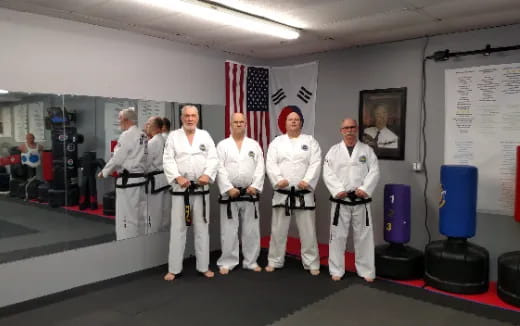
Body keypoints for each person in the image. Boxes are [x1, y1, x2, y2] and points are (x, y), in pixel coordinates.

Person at [163, 105, 218, 281]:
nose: (190, 119)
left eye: (193, 115)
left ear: (197, 118)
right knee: (178, 229)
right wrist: (177, 177)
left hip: (201, 190)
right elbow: (168, 159)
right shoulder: (173, 136)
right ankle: (174, 268)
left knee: (202, 229)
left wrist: (207, 175)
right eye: (186, 115)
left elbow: (213, 159)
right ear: (181, 118)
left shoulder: (205, 136)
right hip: (182, 190)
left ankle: (203, 266)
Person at [265, 111, 321, 275]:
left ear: (301, 123)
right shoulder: (277, 142)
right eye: (291, 119)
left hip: (304, 193)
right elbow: (271, 163)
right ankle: (274, 260)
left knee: (308, 231)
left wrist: (308, 181)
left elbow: (315, 163)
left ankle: (311, 263)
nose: (294, 122)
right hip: (282, 192)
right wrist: (278, 179)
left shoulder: (310, 142)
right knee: (278, 230)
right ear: (285, 123)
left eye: (297, 120)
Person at [323, 118, 380, 282]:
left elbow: (374, 171)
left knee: (364, 236)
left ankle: (366, 270)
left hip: (361, 200)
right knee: (337, 236)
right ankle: (336, 269)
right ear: (341, 130)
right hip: (340, 200)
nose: (349, 130)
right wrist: (338, 190)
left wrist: (365, 189)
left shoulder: (367, 150)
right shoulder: (333, 151)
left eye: (352, 127)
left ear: (357, 129)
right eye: (346, 128)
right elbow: (327, 172)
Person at [216, 113, 264, 275]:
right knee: (229, 230)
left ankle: (251, 261)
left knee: (251, 230)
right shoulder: (223, 145)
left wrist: (255, 186)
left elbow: (260, 167)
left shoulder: (254, 145)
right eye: (235, 122)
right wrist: (228, 188)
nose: (238, 124)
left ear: (246, 124)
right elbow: (219, 168)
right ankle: (228, 261)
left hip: (249, 193)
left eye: (241, 122)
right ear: (231, 124)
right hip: (230, 194)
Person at [98, 108, 148, 241]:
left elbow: (118, 158)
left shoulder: (127, 135)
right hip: (141, 180)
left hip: (129, 182)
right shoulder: (143, 135)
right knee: (140, 216)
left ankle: (126, 245)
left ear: (126, 120)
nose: (119, 122)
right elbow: (145, 158)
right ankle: (141, 243)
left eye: (120, 119)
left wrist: (104, 172)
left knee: (126, 217)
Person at [145, 116, 170, 233]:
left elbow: (146, 163)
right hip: (166, 179)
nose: (146, 126)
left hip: (155, 181)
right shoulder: (166, 139)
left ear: (153, 126)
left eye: (148, 124)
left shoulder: (152, 142)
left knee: (153, 212)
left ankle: (152, 236)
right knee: (165, 211)